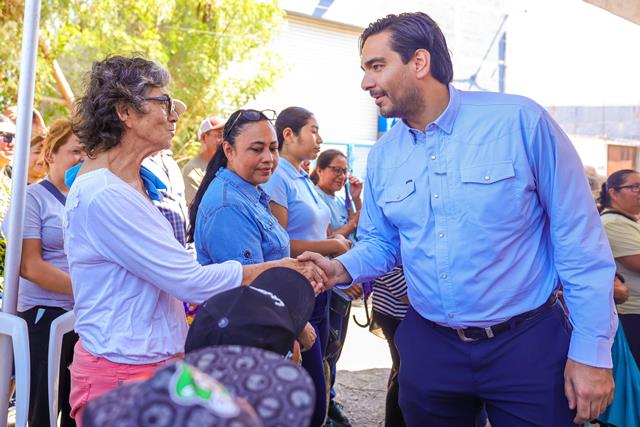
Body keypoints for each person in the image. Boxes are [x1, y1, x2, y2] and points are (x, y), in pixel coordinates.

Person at [299, 12, 617, 426]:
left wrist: (592, 352)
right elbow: (381, 243)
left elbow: (580, 240)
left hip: (527, 343)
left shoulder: (520, 122)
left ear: (419, 62)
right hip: (430, 347)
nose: (365, 82)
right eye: (365, 69)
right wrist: (339, 268)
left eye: (376, 66)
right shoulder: (384, 156)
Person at [64, 56, 326, 425]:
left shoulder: (129, 182)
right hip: (125, 371)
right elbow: (189, 280)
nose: (176, 113)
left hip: (152, 361)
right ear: (126, 111)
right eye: (164, 102)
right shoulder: (105, 194)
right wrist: (279, 269)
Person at [187, 108, 316, 352]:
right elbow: (251, 289)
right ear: (228, 150)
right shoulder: (228, 205)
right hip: (250, 340)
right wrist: (296, 329)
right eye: (256, 149)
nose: (268, 158)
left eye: (273, 148)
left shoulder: (249, 192)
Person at [262, 106, 350, 427]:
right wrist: (333, 247)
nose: (320, 139)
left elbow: (318, 229)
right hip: (296, 290)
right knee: (307, 385)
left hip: (319, 287)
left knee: (322, 373)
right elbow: (279, 244)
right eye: (313, 130)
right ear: (289, 134)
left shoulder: (302, 177)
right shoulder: (277, 178)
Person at [2, 117, 84, 426]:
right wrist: (89, 290)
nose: (82, 158)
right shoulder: (31, 199)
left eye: (87, 151)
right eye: (75, 150)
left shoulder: (85, 199)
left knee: (76, 408)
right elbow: (29, 266)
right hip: (45, 316)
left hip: (85, 316)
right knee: (42, 411)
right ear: (50, 154)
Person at [310, 149, 364, 427]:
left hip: (346, 285)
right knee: (327, 348)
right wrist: (352, 223)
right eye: (335, 169)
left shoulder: (338, 199)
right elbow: (329, 238)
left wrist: (356, 199)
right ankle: (324, 405)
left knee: (336, 347)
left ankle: (329, 398)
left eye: (344, 170)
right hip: (332, 285)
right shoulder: (316, 198)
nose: (341, 176)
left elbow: (356, 229)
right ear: (319, 170)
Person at [599, 169, 640, 367]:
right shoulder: (613, 223)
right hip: (632, 314)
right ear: (613, 193)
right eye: (635, 187)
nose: (639, 191)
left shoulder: (628, 221)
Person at [182, 116, 226, 205]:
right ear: (204, 138)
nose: (224, 141)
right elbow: (195, 208)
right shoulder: (192, 170)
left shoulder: (230, 165)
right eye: (219, 135)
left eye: (226, 135)